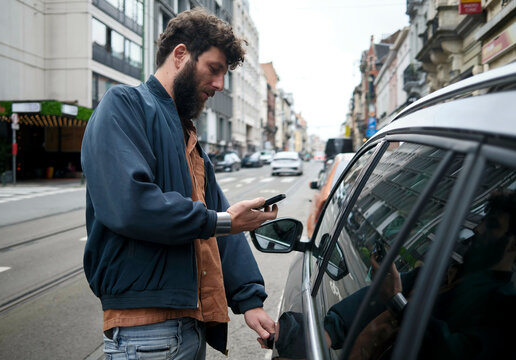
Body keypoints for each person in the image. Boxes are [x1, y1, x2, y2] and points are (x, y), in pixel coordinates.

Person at [81, 8, 277, 359]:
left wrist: (250, 300)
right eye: (214, 70)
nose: (219, 85)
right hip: (146, 330)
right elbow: (131, 204)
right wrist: (224, 221)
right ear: (181, 55)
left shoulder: (188, 136)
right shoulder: (124, 105)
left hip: (190, 325)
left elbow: (218, 220)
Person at [323, 189, 516, 359]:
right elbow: (382, 295)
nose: (477, 229)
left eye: (491, 225)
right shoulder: (445, 272)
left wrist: (397, 303)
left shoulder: (503, 307)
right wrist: (331, 329)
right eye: (482, 221)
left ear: (513, 245)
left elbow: (452, 351)